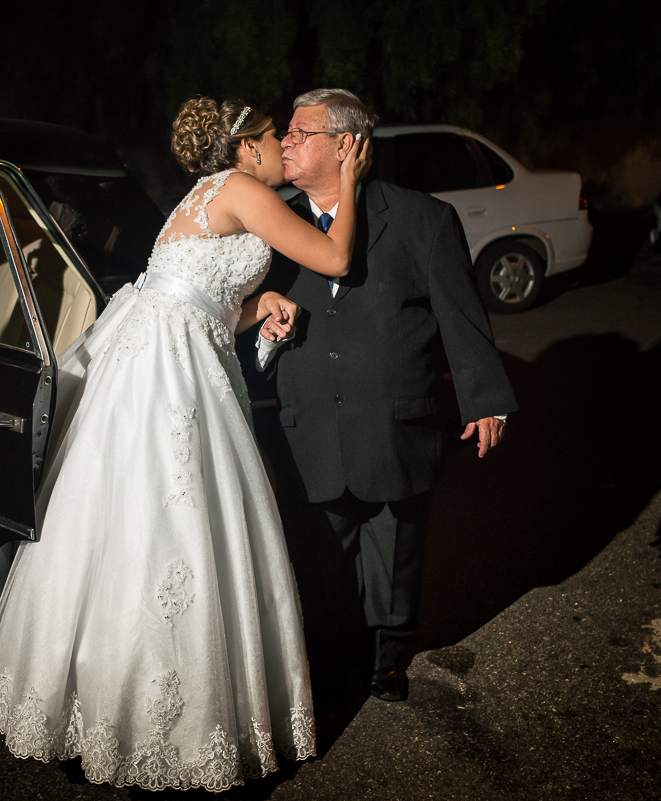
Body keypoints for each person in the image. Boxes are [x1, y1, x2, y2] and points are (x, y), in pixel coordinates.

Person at [0, 97, 369, 791]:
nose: (281, 147)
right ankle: (164, 712)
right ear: (245, 148)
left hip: (165, 351)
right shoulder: (241, 189)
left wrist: (253, 309)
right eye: (275, 137)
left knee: (138, 521)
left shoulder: (204, 193)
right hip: (174, 370)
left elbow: (200, 297)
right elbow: (332, 256)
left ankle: (106, 694)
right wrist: (350, 178)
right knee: (179, 520)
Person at [253, 88, 518, 703]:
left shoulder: (423, 219)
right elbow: (246, 322)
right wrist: (266, 340)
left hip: (397, 420)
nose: (284, 142)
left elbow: (461, 316)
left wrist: (486, 398)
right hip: (308, 422)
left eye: (300, 132)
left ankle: (387, 655)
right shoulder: (270, 224)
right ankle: (328, 651)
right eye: (286, 133)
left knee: (394, 550)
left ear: (346, 144)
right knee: (319, 552)